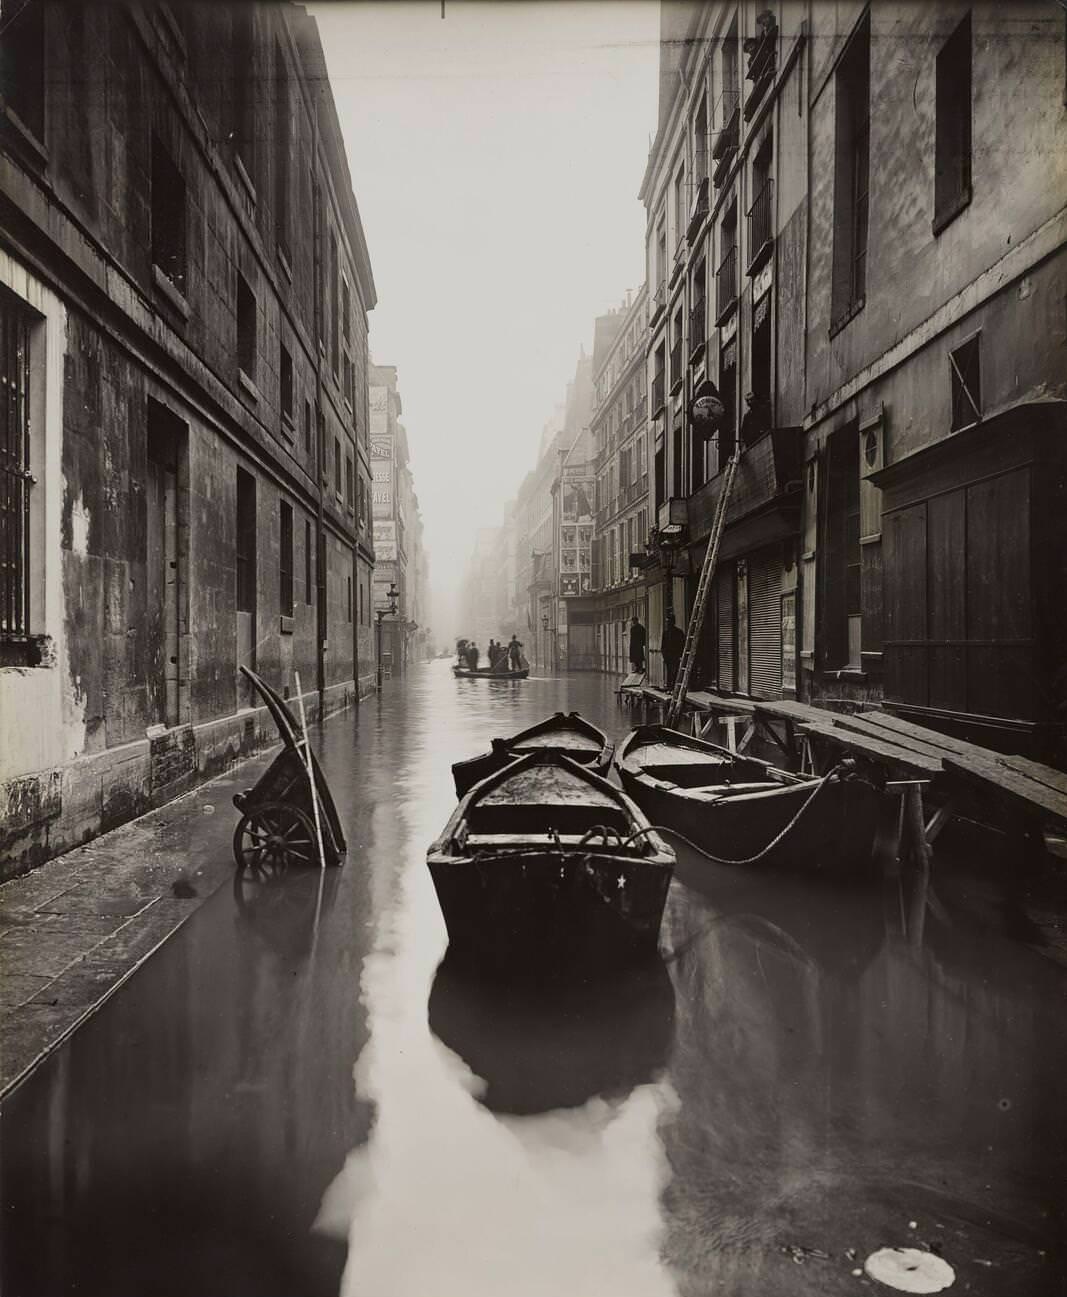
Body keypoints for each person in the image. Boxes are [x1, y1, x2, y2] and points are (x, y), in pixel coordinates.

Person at [661, 612, 685, 691]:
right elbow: (663, 646)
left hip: (675, 656)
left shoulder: (679, 633)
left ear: (673, 622)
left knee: (675, 672)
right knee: (669, 673)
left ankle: (674, 688)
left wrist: (680, 655)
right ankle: (669, 688)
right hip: (668, 656)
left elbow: (682, 645)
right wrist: (664, 655)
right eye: (667, 622)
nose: (668, 623)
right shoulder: (665, 633)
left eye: (669, 622)